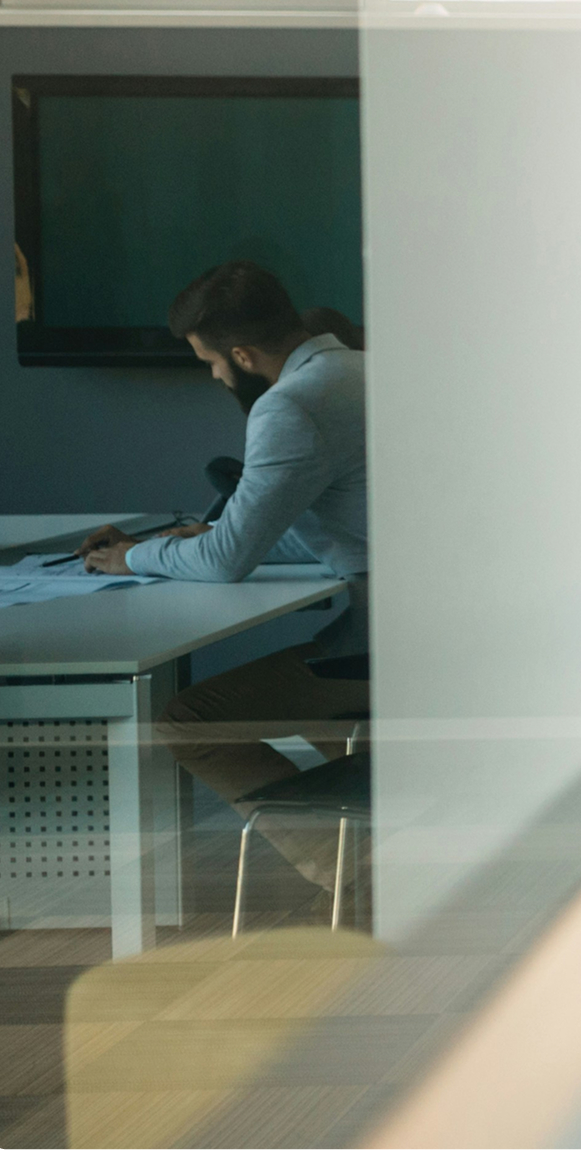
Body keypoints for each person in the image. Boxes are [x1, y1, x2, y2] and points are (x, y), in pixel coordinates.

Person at [79, 261, 370, 896]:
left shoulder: (291, 404)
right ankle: (383, 855)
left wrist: (132, 558)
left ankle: (356, 879)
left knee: (192, 720)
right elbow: (347, 526)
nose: (213, 375)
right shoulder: (359, 369)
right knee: (326, 722)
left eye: (210, 362)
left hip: (390, 638)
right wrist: (215, 537)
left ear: (241, 353)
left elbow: (224, 566)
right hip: (424, 616)